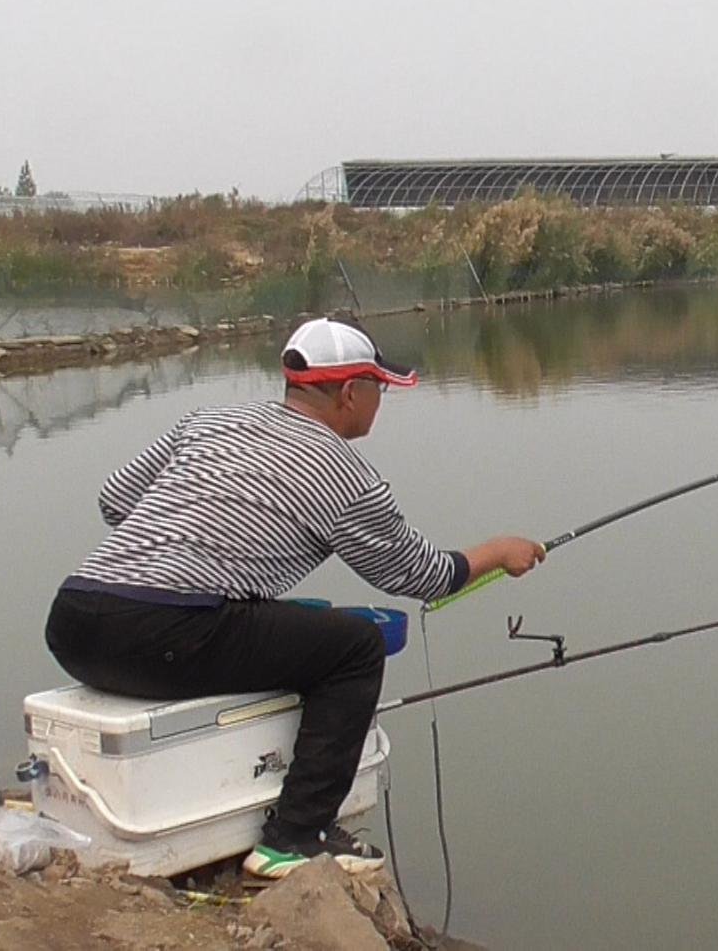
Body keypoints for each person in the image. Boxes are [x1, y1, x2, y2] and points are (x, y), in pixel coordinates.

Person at [43, 317, 545, 879]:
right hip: (162, 634)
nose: (381, 402)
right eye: (379, 389)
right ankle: (294, 837)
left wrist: (204, 542)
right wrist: (500, 552)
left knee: (301, 623)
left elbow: (115, 501)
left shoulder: (207, 421)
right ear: (351, 393)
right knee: (356, 646)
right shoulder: (347, 477)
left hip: (74, 623)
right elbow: (421, 575)